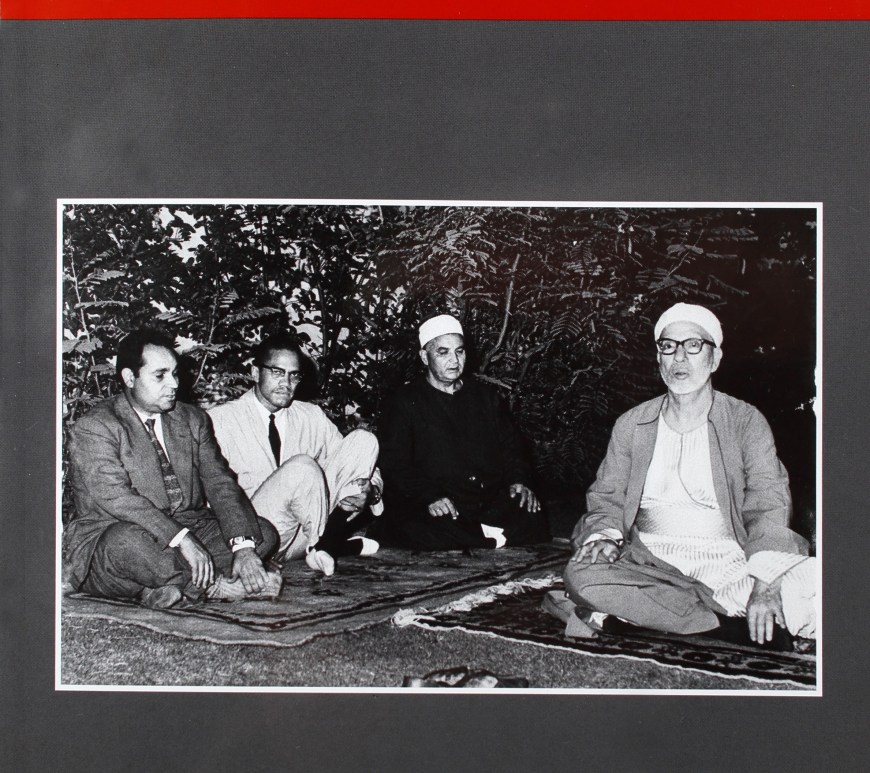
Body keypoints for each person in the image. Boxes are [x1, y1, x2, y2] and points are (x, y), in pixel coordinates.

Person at [561, 303, 816, 646]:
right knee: (581, 576)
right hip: (649, 564)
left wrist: (765, 584)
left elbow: (768, 503)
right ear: (659, 358)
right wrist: (605, 537)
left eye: (693, 345)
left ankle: (646, 618)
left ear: (715, 358)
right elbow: (607, 497)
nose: (679, 357)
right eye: (668, 346)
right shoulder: (632, 424)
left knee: (822, 583)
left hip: (731, 565)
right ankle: (724, 627)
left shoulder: (745, 421)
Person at [64, 330, 281, 610]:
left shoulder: (192, 419)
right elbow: (117, 498)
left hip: (189, 526)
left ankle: (160, 586)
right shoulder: (95, 427)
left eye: (175, 374)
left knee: (262, 533)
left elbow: (220, 483)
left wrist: (244, 549)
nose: (174, 384)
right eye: (160, 375)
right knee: (126, 545)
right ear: (129, 378)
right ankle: (215, 586)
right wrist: (181, 539)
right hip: (121, 534)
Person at [208, 333, 383, 577]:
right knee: (302, 468)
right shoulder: (219, 420)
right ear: (256, 373)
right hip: (257, 536)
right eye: (277, 372)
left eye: (294, 375)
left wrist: (370, 492)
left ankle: (324, 546)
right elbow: (209, 498)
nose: (286, 383)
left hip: (306, 533)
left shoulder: (311, 416)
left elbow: (355, 465)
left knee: (364, 440)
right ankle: (333, 545)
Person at [374, 314, 549, 550]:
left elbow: (513, 449)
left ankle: (481, 536)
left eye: (459, 351)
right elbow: (395, 464)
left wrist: (519, 481)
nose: (454, 361)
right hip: (437, 500)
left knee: (532, 516)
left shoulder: (486, 398)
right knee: (420, 527)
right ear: (425, 357)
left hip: (485, 501)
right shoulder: (405, 402)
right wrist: (429, 496)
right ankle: (489, 536)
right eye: (443, 352)